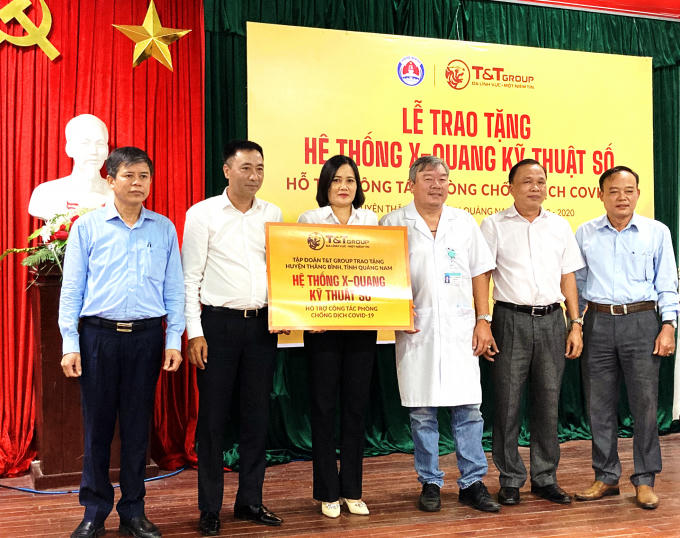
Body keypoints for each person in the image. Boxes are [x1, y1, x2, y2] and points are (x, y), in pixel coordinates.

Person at [59, 147, 185, 538]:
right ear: (110, 180)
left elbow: (174, 289)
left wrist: (174, 338)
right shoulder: (88, 227)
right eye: (129, 175)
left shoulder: (163, 228)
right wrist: (69, 342)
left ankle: (133, 511)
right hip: (98, 337)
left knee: (136, 427)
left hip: (146, 339)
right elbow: (72, 289)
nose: (137, 183)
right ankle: (94, 512)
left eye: (144, 176)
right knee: (97, 428)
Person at [380, 155, 500, 514]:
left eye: (443, 178)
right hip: (416, 329)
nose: (437, 185)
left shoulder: (463, 222)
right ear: (411, 184)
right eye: (429, 178)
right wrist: (394, 311)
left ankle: (472, 482)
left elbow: (480, 272)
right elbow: (381, 274)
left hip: (462, 328)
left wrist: (483, 319)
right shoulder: (393, 223)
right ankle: (430, 482)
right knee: (422, 413)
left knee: (469, 410)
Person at [182, 140, 284, 535]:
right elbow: (190, 278)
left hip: (261, 328)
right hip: (217, 328)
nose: (254, 176)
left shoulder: (272, 213)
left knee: (257, 418)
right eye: (246, 168)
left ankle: (250, 501)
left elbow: (281, 269)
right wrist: (195, 333)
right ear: (227, 170)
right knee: (213, 421)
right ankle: (209, 508)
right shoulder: (202, 214)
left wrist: (286, 311)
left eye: (259, 168)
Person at [479, 159, 584, 506]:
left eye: (540, 181)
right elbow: (483, 275)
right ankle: (510, 479)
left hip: (553, 320)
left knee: (548, 402)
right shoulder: (494, 225)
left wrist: (575, 323)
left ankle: (545, 477)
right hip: (510, 319)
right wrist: (483, 320)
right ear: (510, 187)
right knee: (507, 403)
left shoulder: (559, 225)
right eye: (527, 181)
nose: (535, 187)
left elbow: (568, 276)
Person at [574, 165, 679, 510]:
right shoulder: (585, 233)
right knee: (598, 405)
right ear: (600, 195)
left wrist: (669, 325)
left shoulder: (657, 232)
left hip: (642, 321)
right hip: (598, 322)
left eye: (629, 190)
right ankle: (605, 476)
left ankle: (645, 480)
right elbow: (577, 285)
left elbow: (667, 283)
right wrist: (576, 323)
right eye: (614, 191)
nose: (622, 197)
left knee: (645, 405)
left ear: (638, 194)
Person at [297, 155, 378, 518]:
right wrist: (307, 315)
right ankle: (327, 491)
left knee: (356, 409)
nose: (344, 187)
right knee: (323, 407)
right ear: (325, 185)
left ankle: (353, 491)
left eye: (350, 180)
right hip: (322, 329)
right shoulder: (309, 220)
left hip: (361, 325)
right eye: (336, 180)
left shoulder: (370, 220)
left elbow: (381, 270)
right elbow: (299, 272)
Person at [29, 114, 112, 220]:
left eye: (100, 144)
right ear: (69, 149)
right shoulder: (45, 193)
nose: (93, 151)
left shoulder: (120, 194)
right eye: (85, 143)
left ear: (107, 151)